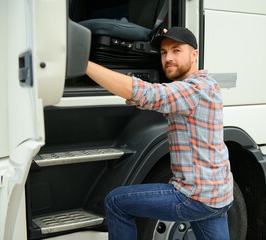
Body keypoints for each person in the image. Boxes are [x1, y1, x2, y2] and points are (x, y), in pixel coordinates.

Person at [86, 27, 233, 240]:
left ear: (194, 54)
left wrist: (85, 64)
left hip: (194, 197)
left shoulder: (193, 90)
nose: (168, 58)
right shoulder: (208, 84)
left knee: (116, 202)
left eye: (176, 50)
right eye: (164, 53)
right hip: (219, 196)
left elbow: (147, 94)